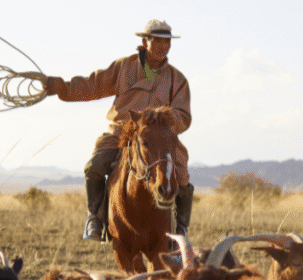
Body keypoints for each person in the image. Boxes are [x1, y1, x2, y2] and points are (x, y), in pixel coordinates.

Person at [44, 19, 193, 241]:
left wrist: (165, 120)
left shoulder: (177, 79)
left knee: (180, 173)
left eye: (167, 42)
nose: (164, 46)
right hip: (121, 132)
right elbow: (93, 86)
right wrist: (62, 88)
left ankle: (181, 228)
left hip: (159, 138)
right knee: (94, 166)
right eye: (158, 41)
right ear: (145, 41)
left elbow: (184, 116)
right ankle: (94, 217)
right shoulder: (124, 67)